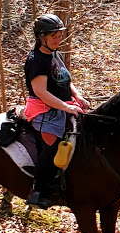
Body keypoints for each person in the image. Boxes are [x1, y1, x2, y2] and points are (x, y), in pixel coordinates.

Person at [24, 14, 89, 209]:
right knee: (52, 145)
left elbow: (65, 80)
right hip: (44, 110)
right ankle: (38, 190)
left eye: (59, 34)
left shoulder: (55, 53)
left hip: (63, 104)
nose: (58, 38)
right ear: (41, 37)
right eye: (53, 35)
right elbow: (40, 92)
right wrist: (66, 106)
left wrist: (77, 97)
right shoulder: (37, 60)